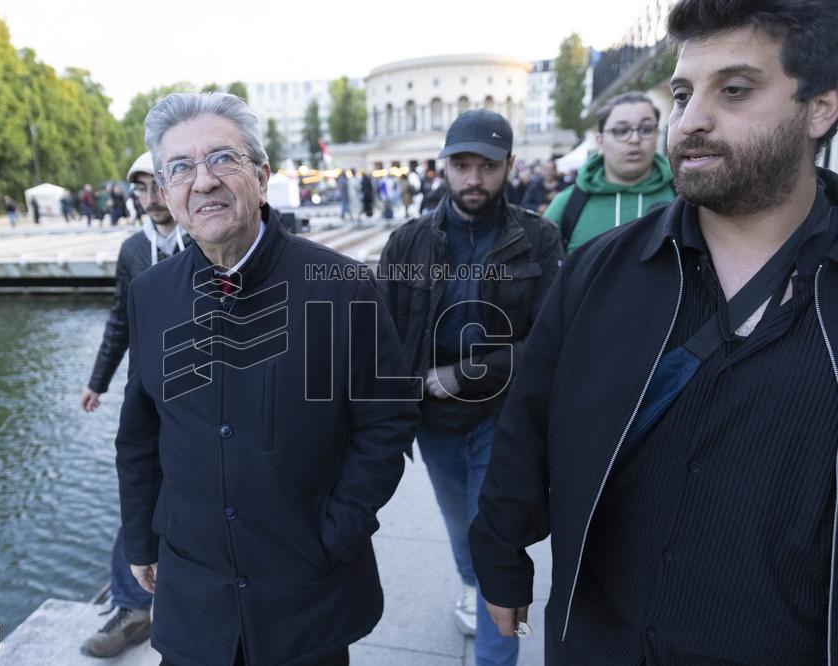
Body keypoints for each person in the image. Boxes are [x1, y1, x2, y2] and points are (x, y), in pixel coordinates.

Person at [470, 1, 838, 663]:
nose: (691, 120)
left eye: (734, 90)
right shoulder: (597, 271)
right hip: (600, 639)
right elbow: (527, 422)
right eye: (681, 92)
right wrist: (500, 555)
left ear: (820, 108)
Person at [117, 92, 418, 665]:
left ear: (260, 174)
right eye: (179, 168)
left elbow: (389, 422)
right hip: (193, 596)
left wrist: (338, 531)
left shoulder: (343, 286)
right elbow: (139, 432)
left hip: (305, 594)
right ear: (164, 191)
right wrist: (142, 538)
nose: (202, 181)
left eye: (222, 159)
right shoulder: (150, 294)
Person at [378, 109, 563, 666]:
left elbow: (552, 341)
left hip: (500, 416)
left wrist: (464, 374)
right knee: (461, 530)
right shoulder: (408, 241)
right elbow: (380, 337)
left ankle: (492, 654)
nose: (474, 179)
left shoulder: (539, 239)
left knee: (491, 538)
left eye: (487, 165)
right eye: (463, 165)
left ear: (509, 165)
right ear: (445, 168)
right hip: (432, 422)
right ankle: (471, 585)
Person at [79, 151, 189, 658]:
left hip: (207, 396)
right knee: (139, 489)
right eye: (141, 190)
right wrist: (97, 381)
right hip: (148, 396)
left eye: (157, 186)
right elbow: (120, 319)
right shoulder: (133, 250)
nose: (150, 199)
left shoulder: (207, 238)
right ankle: (132, 604)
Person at [545, 91, 677, 252]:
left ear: (657, 134)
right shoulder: (566, 204)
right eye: (621, 131)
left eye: (646, 129)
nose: (635, 139)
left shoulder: (684, 197)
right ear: (599, 140)